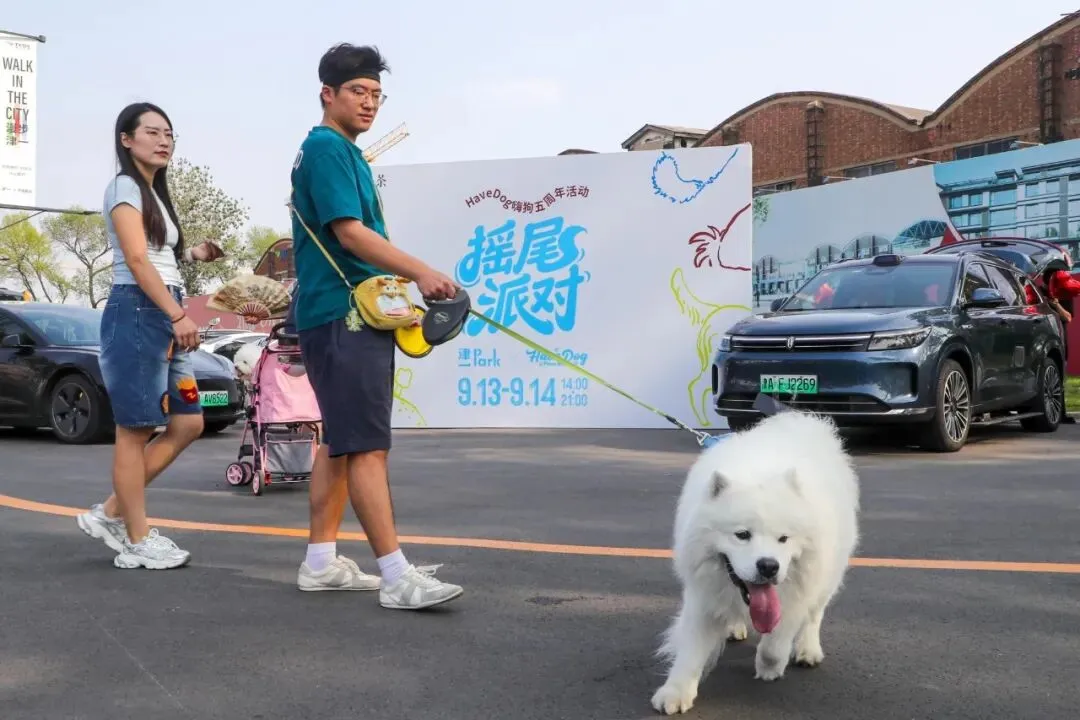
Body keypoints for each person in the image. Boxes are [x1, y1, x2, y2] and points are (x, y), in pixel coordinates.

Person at [288, 43, 464, 609]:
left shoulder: (336, 152)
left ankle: (320, 562)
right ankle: (395, 576)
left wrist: (399, 296)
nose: (370, 104)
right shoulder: (327, 149)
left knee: (340, 443)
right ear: (327, 95)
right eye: (358, 93)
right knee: (365, 446)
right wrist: (421, 274)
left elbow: (354, 248)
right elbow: (351, 234)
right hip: (343, 318)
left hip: (340, 313)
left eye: (376, 95)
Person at [76, 102, 225, 569]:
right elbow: (137, 262)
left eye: (169, 134)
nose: (164, 141)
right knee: (135, 429)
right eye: (153, 132)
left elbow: (157, 254)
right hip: (140, 312)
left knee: (188, 423)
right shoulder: (123, 186)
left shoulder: (151, 191)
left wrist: (195, 253)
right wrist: (178, 315)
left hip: (161, 310)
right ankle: (136, 540)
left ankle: (113, 512)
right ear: (126, 139)